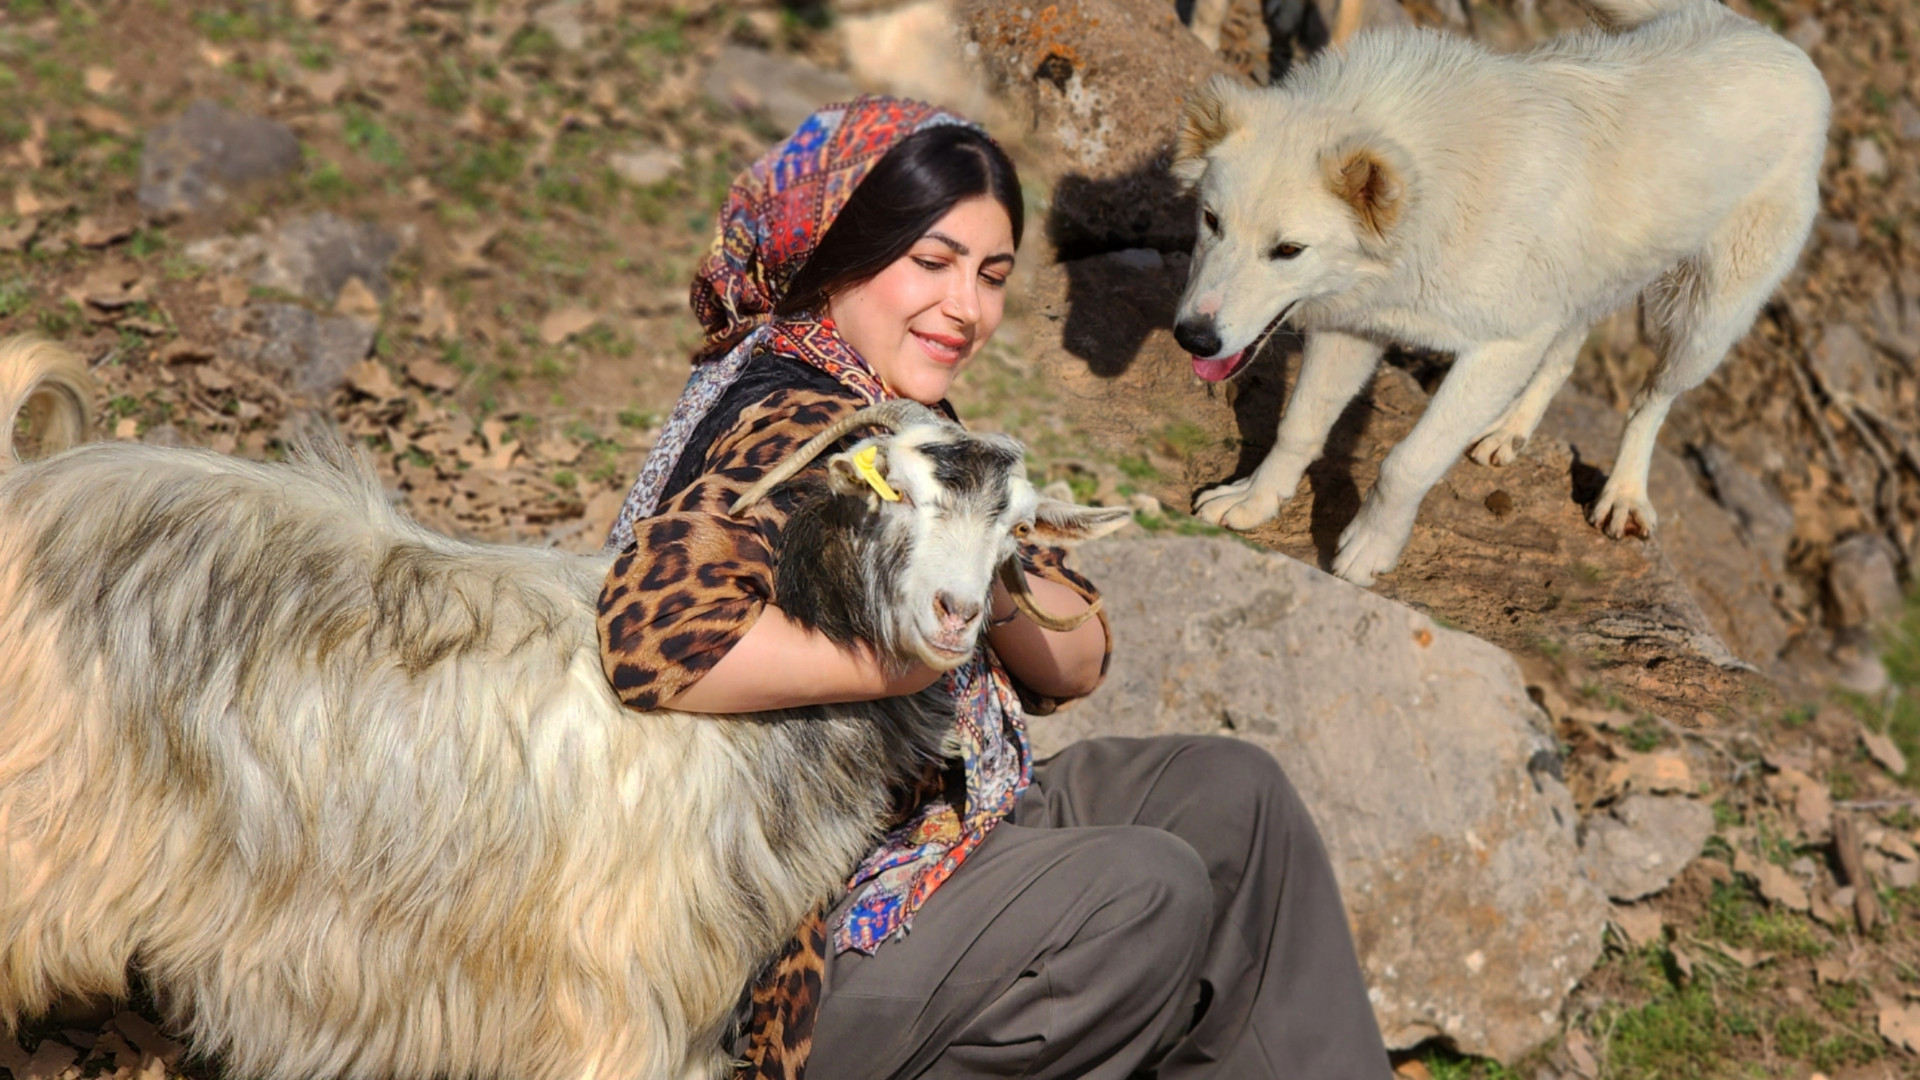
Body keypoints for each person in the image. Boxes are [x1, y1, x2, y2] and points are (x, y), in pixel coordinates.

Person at [598, 95, 1390, 1080]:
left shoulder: (909, 417)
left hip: (954, 813)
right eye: (931, 263)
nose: (966, 307)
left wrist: (981, 570)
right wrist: (908, 659)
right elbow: (650, 648)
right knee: (1141, 894)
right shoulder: (796, 422)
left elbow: (1077, 660)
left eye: (992, 275)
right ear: (840, 252)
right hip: (803, 928)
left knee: (1235, 797)